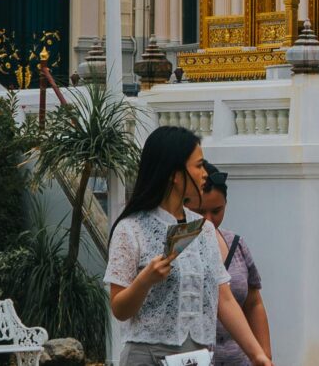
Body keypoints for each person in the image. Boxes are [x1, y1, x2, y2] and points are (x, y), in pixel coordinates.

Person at [105, 126, 274, 366]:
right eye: (199, 166)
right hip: (147, 358)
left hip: (196, 358)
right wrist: (145, 280)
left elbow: (224, 299)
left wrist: (257, 355)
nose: (205, 174)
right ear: (175, 174)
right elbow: (119, 309)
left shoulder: (204, 229)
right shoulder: (131, 229)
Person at [195, 163, 270, 366]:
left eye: (216, 211)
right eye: (200, 212)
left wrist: (264, 355)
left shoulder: (236, 245)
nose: (208, 220)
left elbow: (253, 302)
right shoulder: (177, 250)